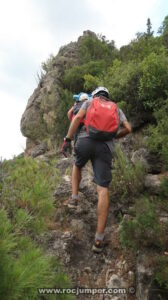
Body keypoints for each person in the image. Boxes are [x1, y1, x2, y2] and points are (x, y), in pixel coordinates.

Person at [62, 87, 132, 253]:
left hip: (85, 140)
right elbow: (128, 128)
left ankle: (74, 198)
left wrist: (67, 139)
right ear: (108, 97)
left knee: (77, 165)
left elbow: (77, 117)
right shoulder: (116, 108)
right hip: (105, 147)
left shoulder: (89, 102)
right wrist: (114, 136)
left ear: (95, 95)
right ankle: (99, 240)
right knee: (102, 189)